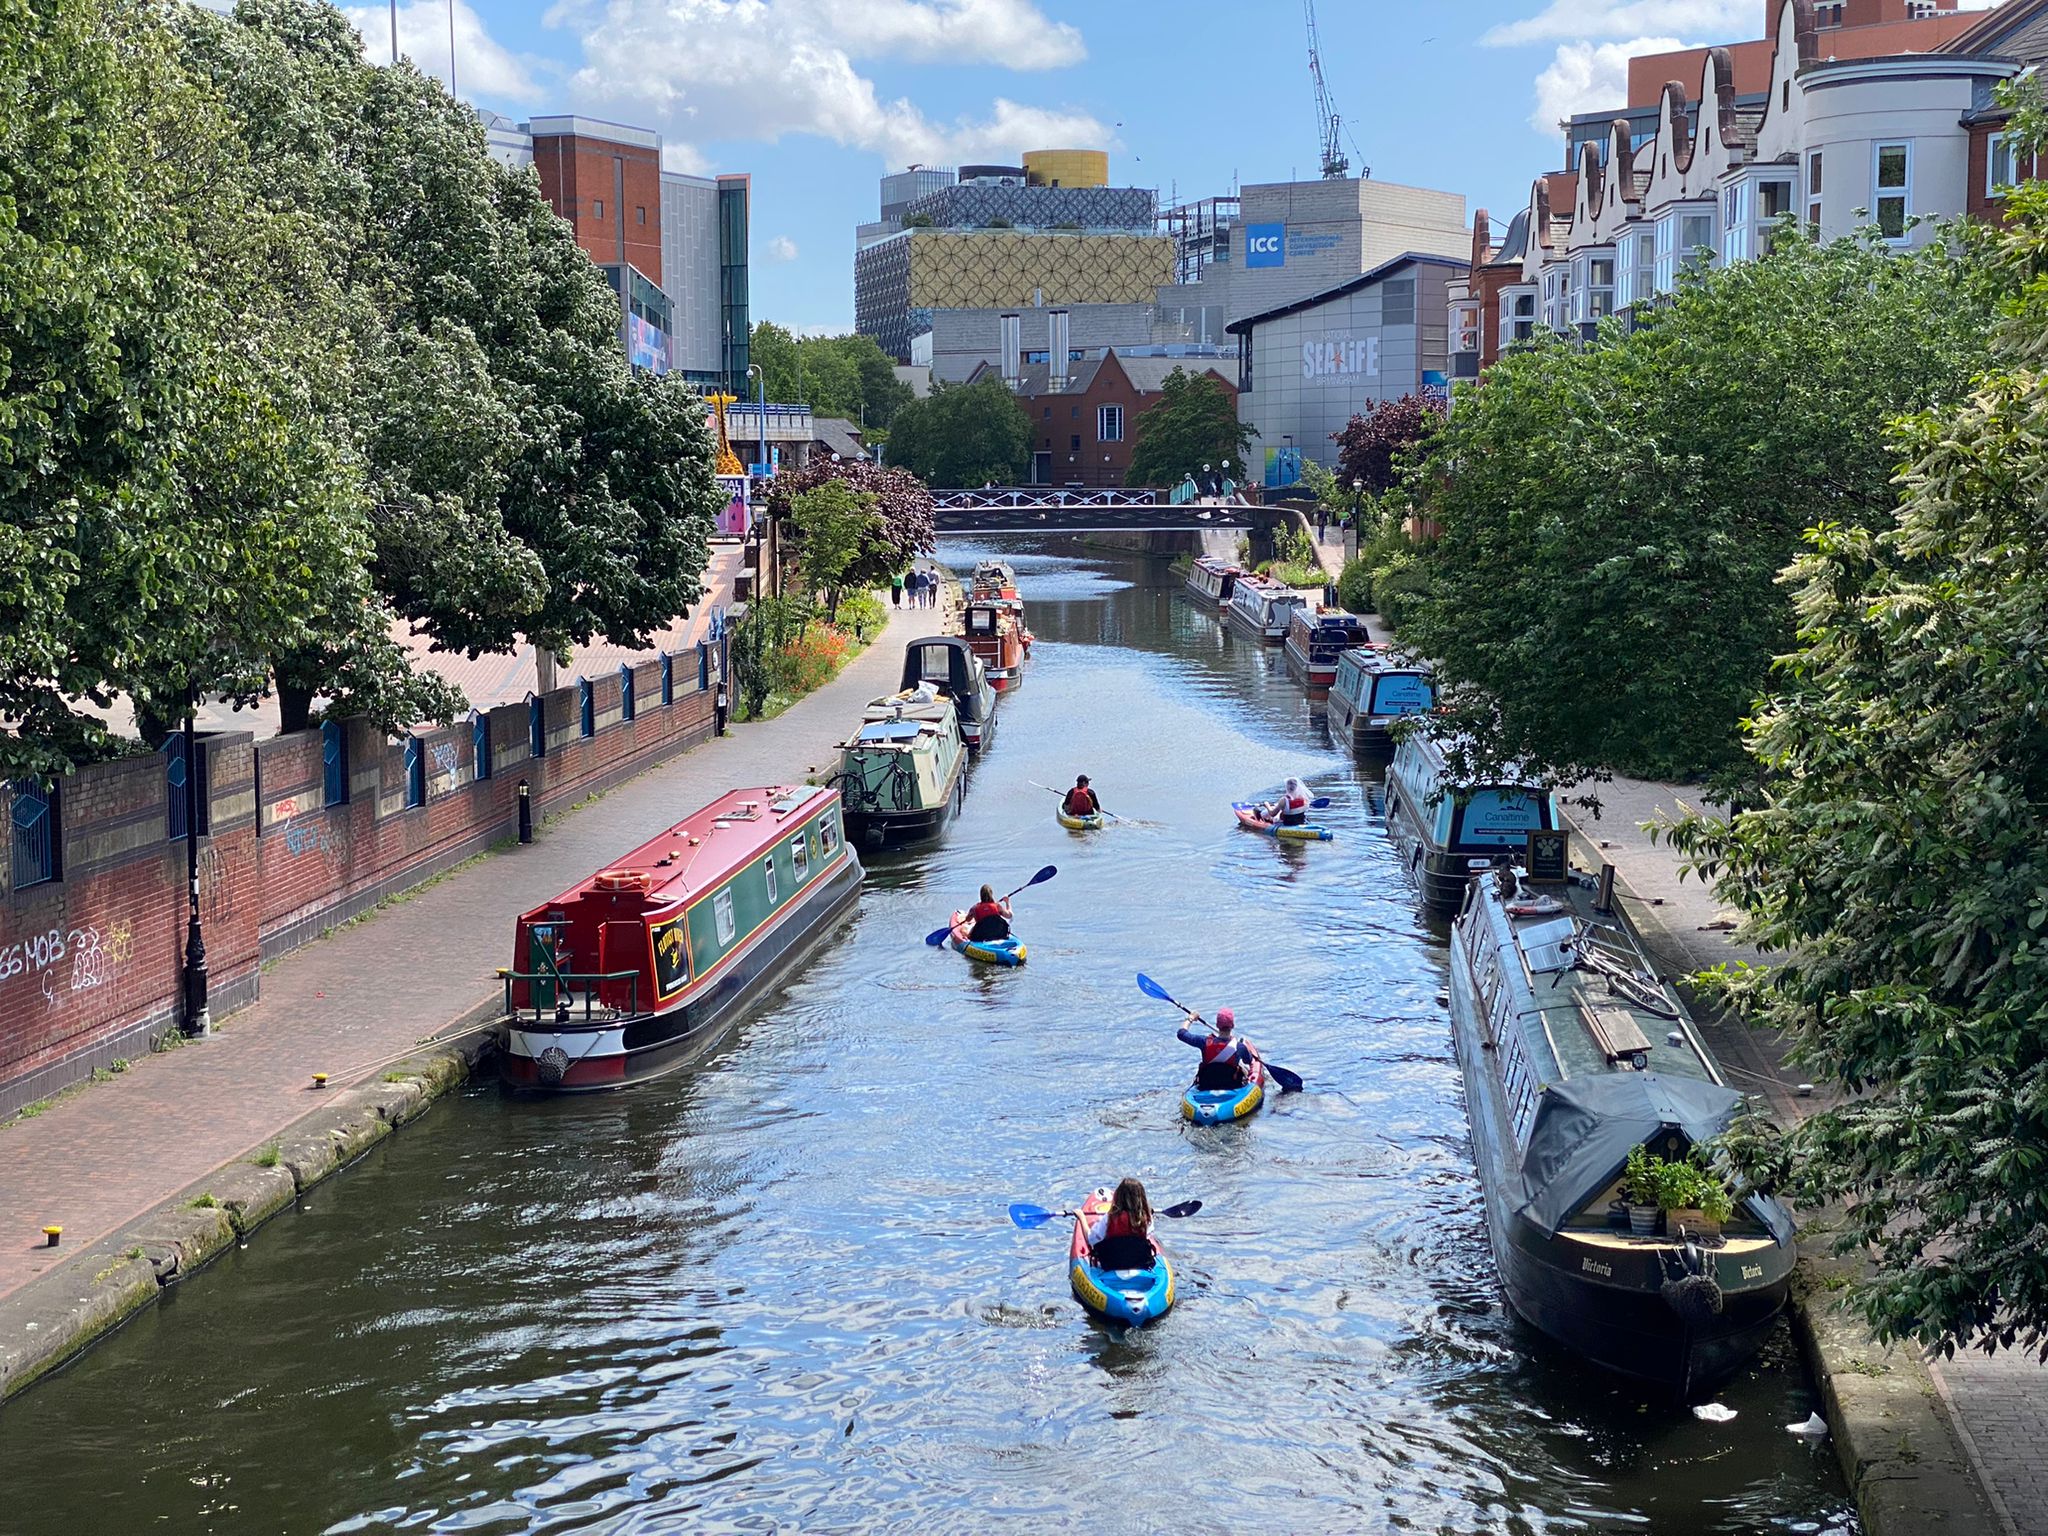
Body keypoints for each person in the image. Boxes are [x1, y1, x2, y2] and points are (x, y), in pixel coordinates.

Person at [1178, 1008, 1258, 1090]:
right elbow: (1248, 1061)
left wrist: (1190, 1018)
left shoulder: (1204, 1042)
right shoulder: (1239, 1047)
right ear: (1233, 1025)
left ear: (1217, 1025)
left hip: (1206, 1084)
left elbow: (1181, 1034)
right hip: (1231, 1084)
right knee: (1243, 1068)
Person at [1085, 1177, 1157, 1270]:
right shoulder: (1146, 1219)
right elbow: (1146, 1237)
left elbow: (1092, 1239)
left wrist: (1081, 1218)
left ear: (1118, 1197)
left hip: (1112, 1263)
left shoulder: (1109, 1217)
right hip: (1139, 1263)